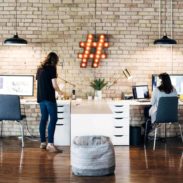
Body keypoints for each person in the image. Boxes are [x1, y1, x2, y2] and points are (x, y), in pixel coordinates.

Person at [36, 52, 64, 153]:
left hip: (40, 97)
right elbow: (54, 85)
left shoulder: (39, 69)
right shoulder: (52, 68)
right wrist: (61, 93)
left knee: (44, 119)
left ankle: (43, 142)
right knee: (53, 119)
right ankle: (50, 144)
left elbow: (40, 83)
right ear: (55, 60)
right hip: (49, 98)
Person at [144, 73, 177, 137]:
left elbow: (152, 103)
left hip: (159, 116)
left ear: (161, 81)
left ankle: (150, 129)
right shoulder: (174, 90)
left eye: (159, 80)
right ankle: (151, 128)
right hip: (172, 116)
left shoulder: (157, 90)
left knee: (146, 110)